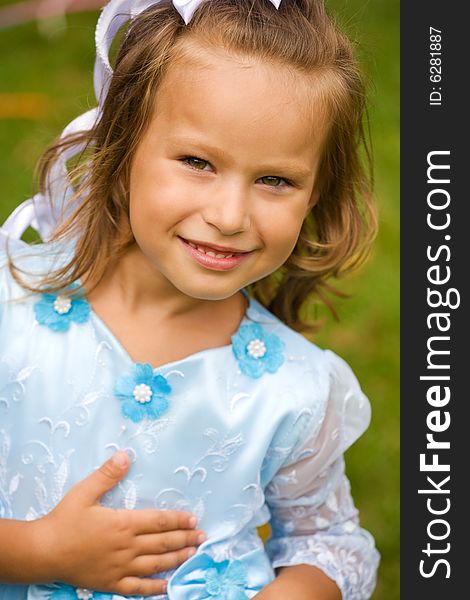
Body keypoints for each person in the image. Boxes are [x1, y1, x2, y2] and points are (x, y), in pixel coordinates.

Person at [0, 0, 380, 598]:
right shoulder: (9, 306)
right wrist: (41, 551)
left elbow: (327, 542)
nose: (229, 216)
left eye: (275, 180)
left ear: (315, 193)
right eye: (198, 162)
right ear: (122, 148)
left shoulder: (296, 389)